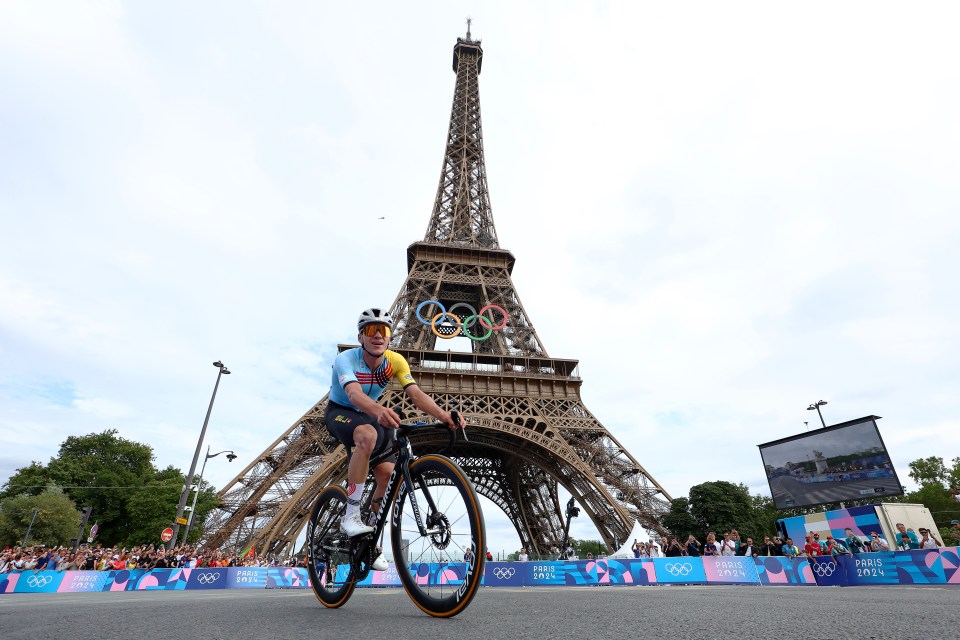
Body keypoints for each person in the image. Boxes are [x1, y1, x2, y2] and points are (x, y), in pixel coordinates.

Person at [325, 308, 464, 571]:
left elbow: (415, 394)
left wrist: (444, 415)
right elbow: (353, 395)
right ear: (360, 337)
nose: (377, 335)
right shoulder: (346, 359)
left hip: (372, 414)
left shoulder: (396, 361)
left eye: (384, 331)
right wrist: (379, 411)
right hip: (341, 412)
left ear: (390, 338)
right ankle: (351, 514)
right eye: (370, 330)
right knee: (367, 434)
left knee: (388, 476)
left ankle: (371, 540)